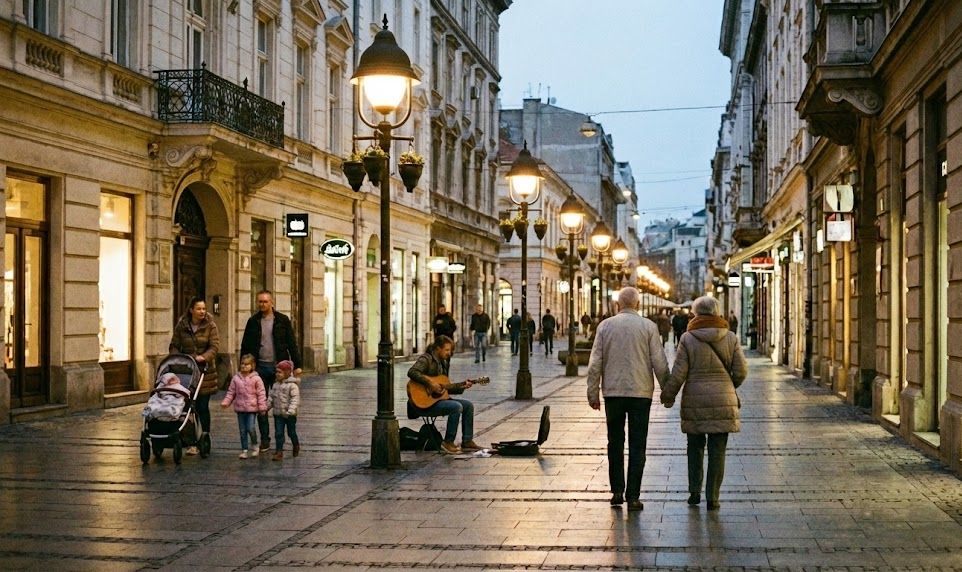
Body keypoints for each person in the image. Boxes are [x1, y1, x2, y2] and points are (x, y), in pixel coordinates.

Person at [586, 287, 670, 512]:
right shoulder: (649, 327)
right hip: (640, 393)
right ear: (638, 304)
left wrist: (592, 393)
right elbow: (659, 362)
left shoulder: (605, 326)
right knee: (637, 445)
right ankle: (633, 496)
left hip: (613, 393)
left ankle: (616, 492)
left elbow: (595, 363)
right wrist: (667, 391)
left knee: (614, 443)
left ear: (617, 305)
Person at [660, 296, 747, 511]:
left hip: (695, 400)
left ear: (696, 313)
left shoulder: (688, 339)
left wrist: (668, 395)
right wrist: (729, 384)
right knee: (718, 450)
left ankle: (694, 492)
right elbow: (742, 371)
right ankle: (713, 497)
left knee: (695, 448)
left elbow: (679, 373)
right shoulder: (731, 338)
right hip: (723, 399)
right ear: (717, 312)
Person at [241, 290, 303, 452]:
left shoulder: (282, 320)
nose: (262, 304)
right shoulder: (253, 321)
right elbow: (245, 345)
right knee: (261, 405)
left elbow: (291, 343)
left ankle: (280, 438)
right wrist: (244, 367)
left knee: (279, 403)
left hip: (278, 369)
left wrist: (297, 365)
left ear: (272, 302)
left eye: (265, 301)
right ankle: (265, 439)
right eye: (260, 301)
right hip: (259, 368)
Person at [407, 335, 480, 454]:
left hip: (437, 401)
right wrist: (430, 383)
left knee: (468, 405)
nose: (449, 353)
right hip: (423, 403)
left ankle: (467, 441)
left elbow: (445, 388)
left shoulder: (443, 363)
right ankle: (448, 442)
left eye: (450, 350)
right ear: (437, 348)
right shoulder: (426, 359)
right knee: (456, 407)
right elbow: (412, 372)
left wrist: (462, 386)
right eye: (446, 350)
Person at [169, 296, 220, 455]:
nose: (202, 312)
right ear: (191, 310)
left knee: (202, 407)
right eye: (199, 309)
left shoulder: (210, 325)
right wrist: (178, 358)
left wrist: (204, 357)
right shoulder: (182, 325)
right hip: (186, 372)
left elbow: (214, 346)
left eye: (204, 309)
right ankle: (190, 440)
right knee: (188, 407)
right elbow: (174, 345)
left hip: (204, 372)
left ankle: (204, 437)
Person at [221, 353, 267, 459]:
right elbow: (231, 392)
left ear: (252, 366)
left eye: (247, 364)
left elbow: (261, 393)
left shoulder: (256, 379)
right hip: (240, 408)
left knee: (251, 428)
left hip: (252, 408)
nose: (244, 366)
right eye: (242, 364)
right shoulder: (236, 378)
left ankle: (255, 445)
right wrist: (226, 402)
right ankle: (244, 449)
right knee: (242, 430)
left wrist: (262, 406)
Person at [268, 359, 301, 460]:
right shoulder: (275, 385)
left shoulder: (293, 386)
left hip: (290, 414)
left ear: (286, 373)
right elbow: (271, 397)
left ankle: (295, 444)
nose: (277, 374)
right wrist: (266, 406)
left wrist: (291, 410)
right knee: (278, 433)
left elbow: (295, 399)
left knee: (291, 432)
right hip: (278, 413)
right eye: (276, 372)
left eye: (280, 372)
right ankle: (279, 452)